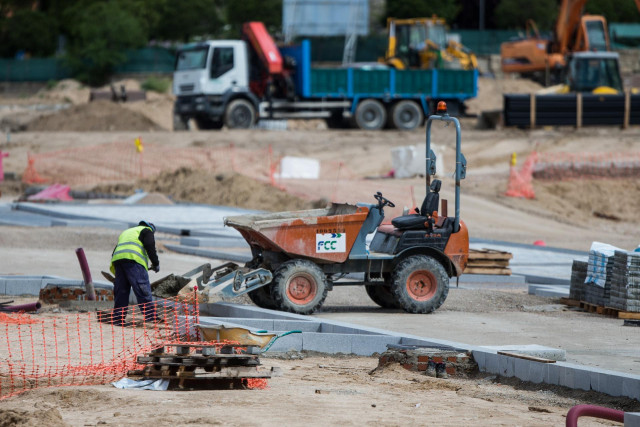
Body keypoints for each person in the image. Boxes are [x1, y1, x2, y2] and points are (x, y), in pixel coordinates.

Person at [108, 220, 160, 325]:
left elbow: (116, 250)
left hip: (118, 260)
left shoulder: (127, 232)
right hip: (134, 261)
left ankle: (118, 319)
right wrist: (155, 263)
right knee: (142, 288)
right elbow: (150, 245)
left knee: (121, 291)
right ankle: (151, 317)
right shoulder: (147, 230)